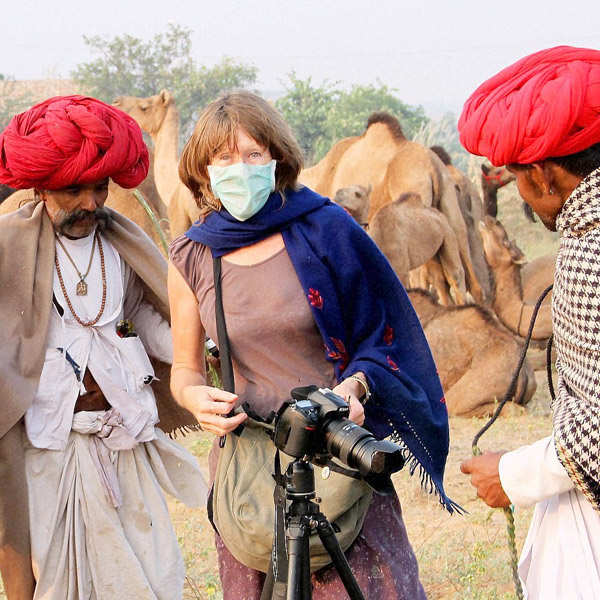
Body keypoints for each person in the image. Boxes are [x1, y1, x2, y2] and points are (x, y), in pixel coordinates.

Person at [168, 90, 458, 599]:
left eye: (253, 154)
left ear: (276, 158)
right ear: (203, 170)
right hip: (251, 468)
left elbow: (383, 334)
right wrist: (194, 397)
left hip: (338, 452)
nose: (241, 167)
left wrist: (356, 384)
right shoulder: (193, 255)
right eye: (225, 158)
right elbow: (185, 370)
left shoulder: (327, 228)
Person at [0, 95, 207, 600]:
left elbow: (151, 320)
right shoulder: (7, 246)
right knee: (60, 581)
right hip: (48, 448)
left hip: (122, 438)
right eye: (73, 190)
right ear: (41, 186)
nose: (90, 203)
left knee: (151, 574)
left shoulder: (121, 241)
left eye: (99, 188)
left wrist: (200, 349)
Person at [458, 46, 600, 599]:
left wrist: (513, 475)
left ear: (541, 174)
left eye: (516, 176)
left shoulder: (590, 255)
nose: (520, 190)